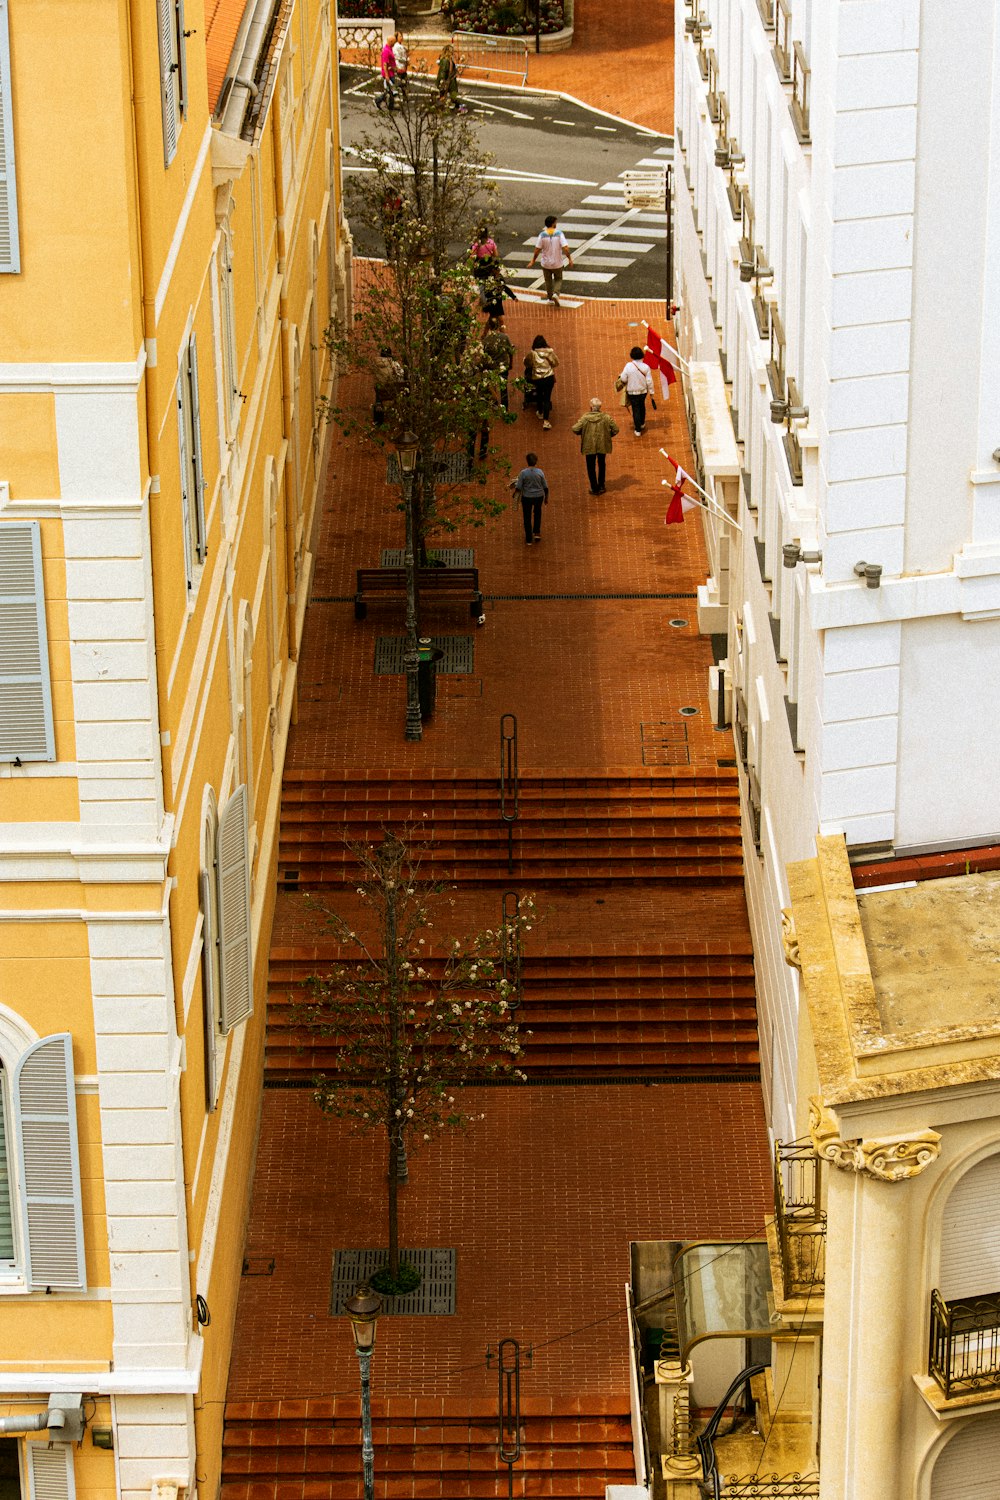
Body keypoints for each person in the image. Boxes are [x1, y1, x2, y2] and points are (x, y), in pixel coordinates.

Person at [572, 397, 619, 494]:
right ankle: (601, 485)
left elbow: (575, 429)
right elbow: (616, 429)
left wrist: (583, 433)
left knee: (590, 466)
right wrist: (608, 436)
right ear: (599, 407)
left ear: (591, 407)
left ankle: (594, 487)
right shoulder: (606, 417)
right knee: (602, 464)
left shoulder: (585, 418)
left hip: (589, 445)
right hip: (602, 444)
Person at [527, 215, 573, 304]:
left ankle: (550, 298)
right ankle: (556, 293)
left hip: (546, 263)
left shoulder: (542, 235)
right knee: (558, 279)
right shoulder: (559, 234)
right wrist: (569, 259)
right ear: (553, 223)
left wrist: (532, 260)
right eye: (555, 222)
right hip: (557, 263)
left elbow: (537, 249)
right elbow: (566, 248)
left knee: (548, 281)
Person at [510, 452, 549, 544]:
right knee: (537, 513)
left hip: (527, 497)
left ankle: (528, 538)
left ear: (527, 461)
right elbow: (545, 487)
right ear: (536, 461)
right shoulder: (540, 472)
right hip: (539, 496)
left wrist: (515, 494)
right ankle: (537, 533)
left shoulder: (523, 473)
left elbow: (519, 487)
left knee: (527, 516)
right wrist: (546, 498)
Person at [618, 345, 654, 436]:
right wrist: (652, 392)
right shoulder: (646, 367)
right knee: (642, 406)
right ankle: (642, 423)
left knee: (635, 409)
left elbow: (623, 378)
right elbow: (649, 381)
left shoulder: (628, 366)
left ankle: (637, 429)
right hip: (643, 392)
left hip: (632, 392)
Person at [482, 316, 515, 411]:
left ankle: (495, 404)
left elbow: (484, 355)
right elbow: (510, 351)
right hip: (503, 366)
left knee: (492, 386)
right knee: (503, 387)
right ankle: (505, 408)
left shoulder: (486, 340)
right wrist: (511, 363)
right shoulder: (504, 337)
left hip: (491, 366)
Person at [529, 334, 558, 429]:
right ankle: (546, 421)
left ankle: (540, 412)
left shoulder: (532, 353)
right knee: (547, 398)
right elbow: (556, 362)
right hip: (549, 377)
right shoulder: (550, 352)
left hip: (538, 378)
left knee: (539, 394)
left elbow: (527, 363)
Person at [371, 347, 404, 426]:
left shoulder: (375, 363)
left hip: (380, 390)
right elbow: (401, 374)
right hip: (392, 390)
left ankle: (378, 410)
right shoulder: (393, 364)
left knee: (378, 387)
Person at [436, 45, 463, 111]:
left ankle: (456, 106)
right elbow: (443, 72)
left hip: (449, 80)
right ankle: (458, 107)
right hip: (448, 80)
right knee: (447, 95)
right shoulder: (445, 61)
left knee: (451, 95)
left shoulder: (448, 60)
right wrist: (442, 81)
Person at [375, 37, 397, 111]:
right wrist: (387, 75)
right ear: (391, 41)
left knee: (390, 90)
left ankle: (391, 105)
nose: (394, 43)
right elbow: (385, 64)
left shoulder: (389, 49)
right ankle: (378, 100)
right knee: (389, 90)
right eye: (394, 42)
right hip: (389, 74)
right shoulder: (386, 51)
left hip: (391, 73)